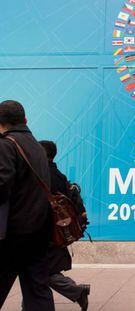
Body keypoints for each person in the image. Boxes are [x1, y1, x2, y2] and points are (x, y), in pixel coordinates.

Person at [0, 100, 55, 310]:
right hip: (38, 229)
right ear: (25, 120)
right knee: (37, 290)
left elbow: (2, 184)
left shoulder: (7, 144)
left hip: (12, 233)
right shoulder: (36, 145)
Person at [38, 140, 90, 311]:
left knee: (41, 272)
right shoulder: (58, 174)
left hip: (45, 233)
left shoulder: (41, 174)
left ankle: (78, 291)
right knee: (39, 272)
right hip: (56, 231)